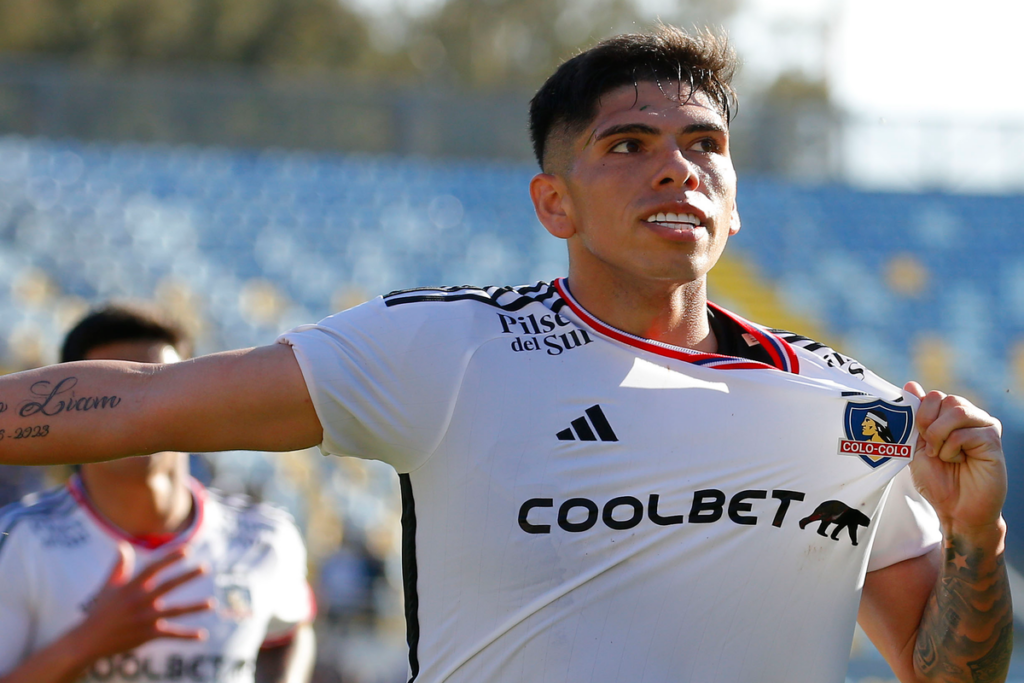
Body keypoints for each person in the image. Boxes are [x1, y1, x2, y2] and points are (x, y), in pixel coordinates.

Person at [0, 26, 1011, 683]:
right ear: (553, 202)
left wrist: (975, 534)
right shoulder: (451, 348)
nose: (677, 166)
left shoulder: (853, 407)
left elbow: (946, 670)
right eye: (628, 144)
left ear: (735, 198)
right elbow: (145, 401)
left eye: (704, 145)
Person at [0, 305, 317, 683]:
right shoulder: (18, 540)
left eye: (160, 390)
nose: (138, 413)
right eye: (111, 396)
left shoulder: (266, 535)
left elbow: (288, 634)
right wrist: (84, 644)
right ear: (67, 415)